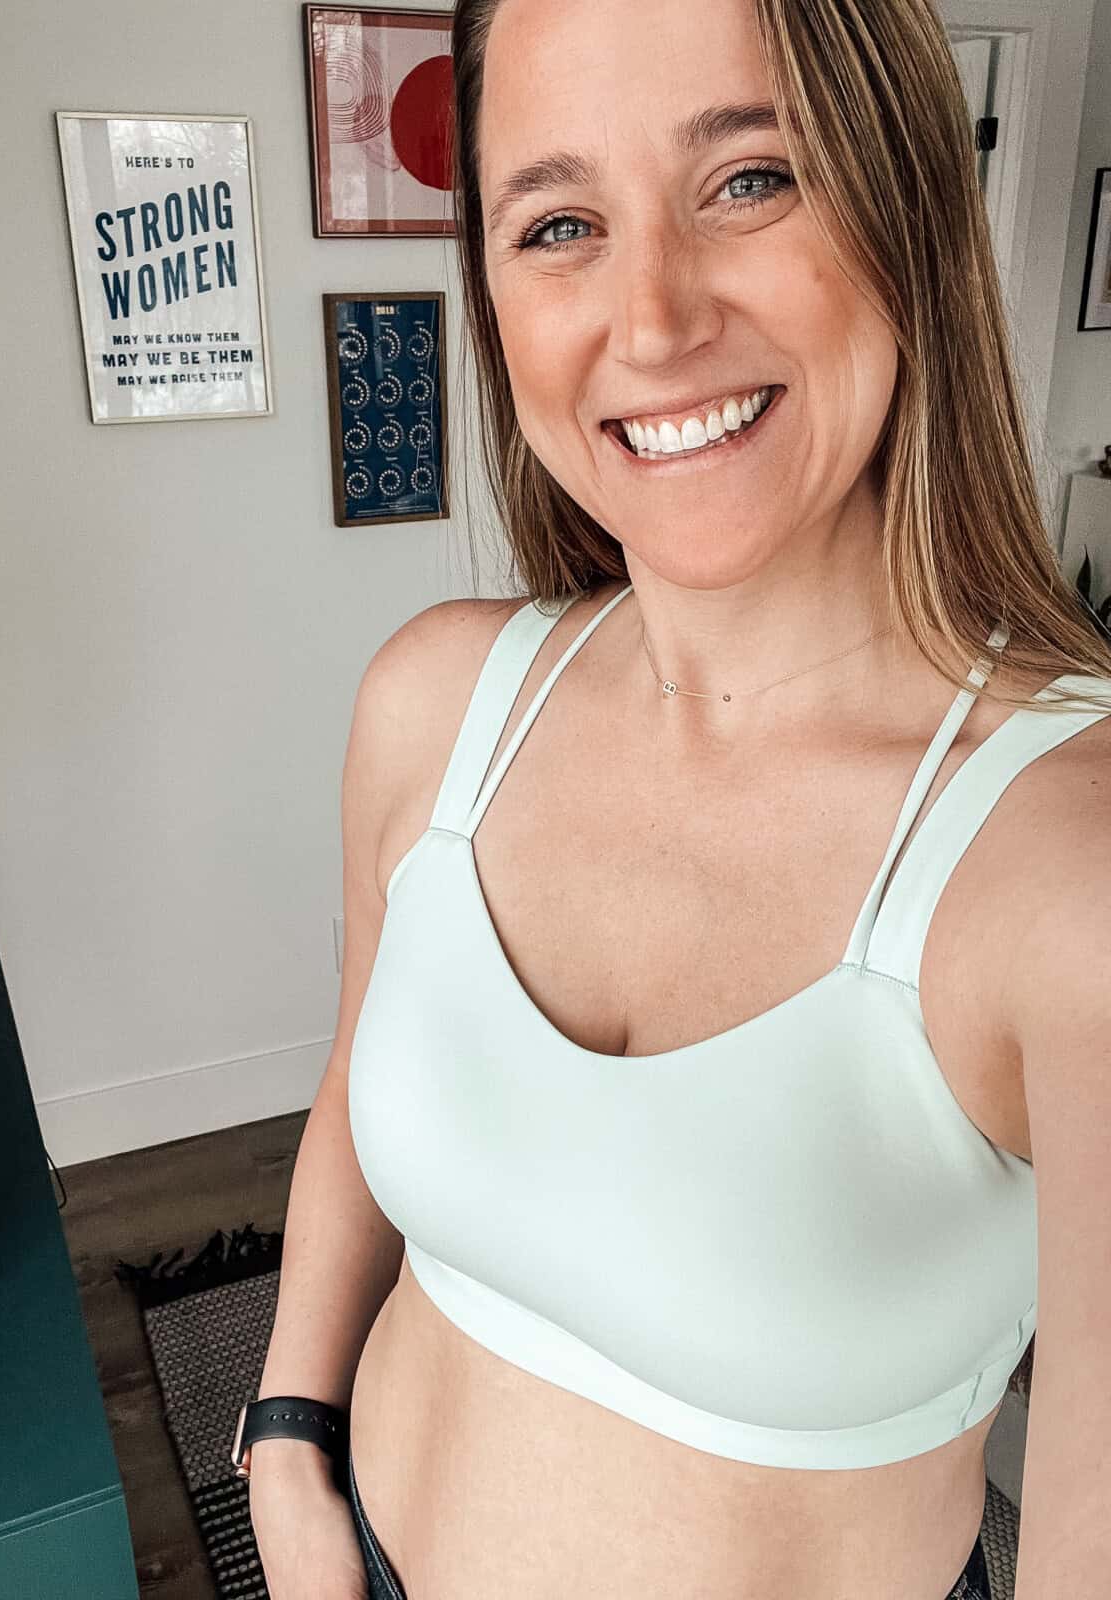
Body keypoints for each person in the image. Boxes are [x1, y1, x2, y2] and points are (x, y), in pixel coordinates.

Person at [246, 1, 1111, 1595]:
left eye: (751, 180)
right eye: (559, 223)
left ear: (910, 204)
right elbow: (355, 1097)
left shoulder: (1070, 860)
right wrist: (288, 1444)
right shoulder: (435, 705)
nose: (648, 322)